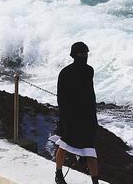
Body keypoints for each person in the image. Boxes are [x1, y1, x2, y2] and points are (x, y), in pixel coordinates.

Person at [52, 42, 99, 184]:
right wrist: (64, 119)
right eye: (82, 53)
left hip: (84, 119)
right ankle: (59, 175)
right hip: (73, 118)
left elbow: (90, 96)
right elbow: (62, 98)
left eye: (86, 53)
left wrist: (93, 120)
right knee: (65, 145)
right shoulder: (69, 72)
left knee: (88, 151)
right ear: (75, 55)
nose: (84, 56)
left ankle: (94, 181)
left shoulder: (87, 71)